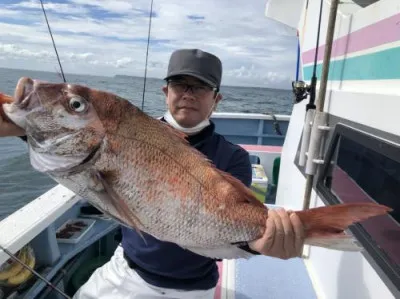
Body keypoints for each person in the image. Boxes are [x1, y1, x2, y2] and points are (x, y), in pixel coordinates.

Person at [0, 49, 305, 299]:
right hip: (125, 269)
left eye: (199, 87)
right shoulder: (126, 133)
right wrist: (28, 129)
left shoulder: (234, 157)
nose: (188, 94)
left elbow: (227, 225)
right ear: (166, 91)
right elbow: (83, 156)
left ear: (217, 99)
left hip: (192, 288)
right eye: (180, 84)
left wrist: (257, 243)